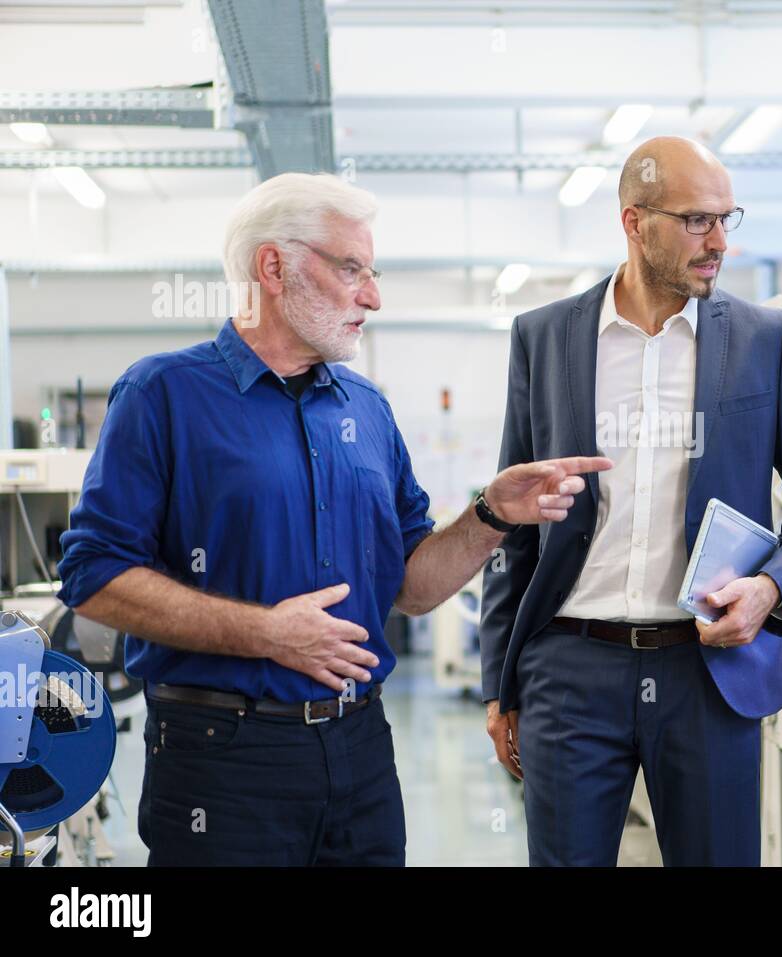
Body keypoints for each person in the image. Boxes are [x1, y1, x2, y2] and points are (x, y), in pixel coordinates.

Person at [57, 172, 610, 866]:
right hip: (222, 758)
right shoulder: (162, 394)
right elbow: (91, 574)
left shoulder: (365, 408)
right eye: (351, 269)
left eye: (370, 272)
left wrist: (492, 513)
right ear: (273, 266)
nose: (373, 296)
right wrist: (266, 634)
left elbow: (410, 586)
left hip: (361, 752)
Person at [480, 137, 782, 866]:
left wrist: (773, 586)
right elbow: (514, 528)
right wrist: (500, 681)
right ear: (634, 220)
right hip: (570, 668)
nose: (718, 243)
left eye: (726, 219)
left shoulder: (764, 339)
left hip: (706, 670)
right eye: (696, 221)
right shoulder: (545, 338)